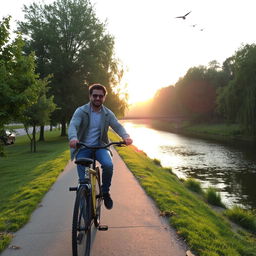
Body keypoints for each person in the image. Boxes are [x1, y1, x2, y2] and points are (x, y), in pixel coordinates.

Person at [68, 83, 133, 209]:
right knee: (83, 183)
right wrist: (73, 138)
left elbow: (117, 126)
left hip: (101, 146)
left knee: (108, 165)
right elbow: (73, 125)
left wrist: (125, 136)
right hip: (83, 147)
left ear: (104, 98)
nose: (98, 98)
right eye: (95, 95)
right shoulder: (81, 111)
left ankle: (105, 192)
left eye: (100, 96)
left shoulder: (108, 114)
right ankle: (83, 202)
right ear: (90, 96)